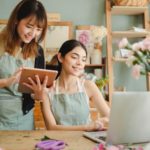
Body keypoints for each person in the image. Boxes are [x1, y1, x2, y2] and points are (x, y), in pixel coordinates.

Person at [24, 39, 110, 131]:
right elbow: (51, 127)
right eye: (74, 57)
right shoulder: (47, 89)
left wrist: (100, 121)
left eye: (83, 59)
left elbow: (109, 117)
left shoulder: (88, 86)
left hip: (86, 141)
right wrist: (87, 127)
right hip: (59, 143)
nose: (79, 63)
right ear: (60, 57)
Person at [0, 0, 47, 130]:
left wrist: (38, 94)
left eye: (38, 29)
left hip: (24, 119)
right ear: (16, 20)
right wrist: (6, 82)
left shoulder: (38, 51)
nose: (33, 34)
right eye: (29, 26)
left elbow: (33, 94)